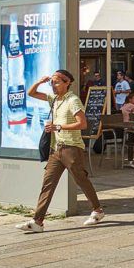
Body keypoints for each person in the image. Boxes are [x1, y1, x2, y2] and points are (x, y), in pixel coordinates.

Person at [16, 70, 104, 233]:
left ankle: (97, 210)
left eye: (57, 82)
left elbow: (83, 124)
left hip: (72, 148)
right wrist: (41, 81)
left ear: (66, 83)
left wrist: (58, 127)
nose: (53, 85)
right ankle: (38, 221)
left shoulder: (73, 100)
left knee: (81, 180)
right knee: (47, 184)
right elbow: (31, 92)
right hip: (56, 149)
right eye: (52, 82)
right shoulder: (54, 98)